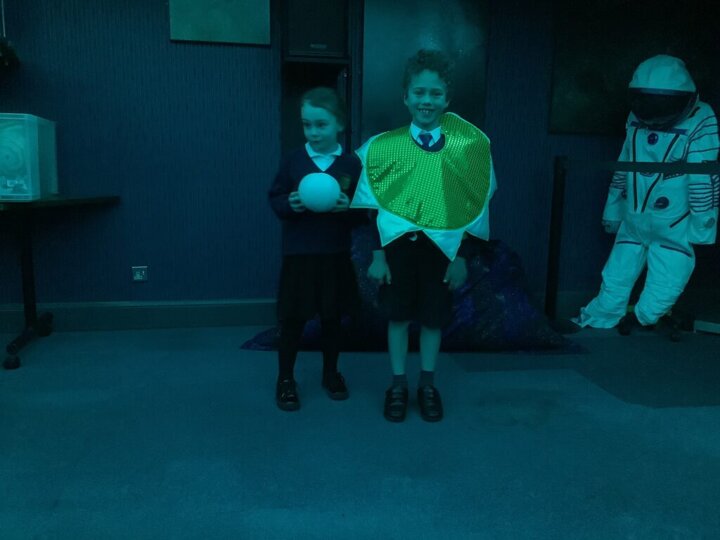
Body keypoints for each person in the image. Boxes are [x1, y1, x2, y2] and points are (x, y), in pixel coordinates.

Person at [351, 49, 497, 422]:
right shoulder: (383, 148)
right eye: (419, 92)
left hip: (441, 253)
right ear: (406, 96)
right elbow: (373, 208)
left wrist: (462, 257)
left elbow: (476, 204)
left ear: (447, 99)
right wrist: (378, 255)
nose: (426, 100)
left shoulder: (467, 149)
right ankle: (398, 384)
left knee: (433, 319)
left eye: (435, 93)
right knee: (398, 317)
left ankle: (427, 384)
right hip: (398, 251)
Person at [574, 55, 719, 334]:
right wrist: (613, 212)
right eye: (648, 103)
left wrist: (702, 225)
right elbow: (625, 164)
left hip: (672, 220)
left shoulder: (701, 118)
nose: (655, 113)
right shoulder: (636, 118)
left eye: (663, 104)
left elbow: (704, 175)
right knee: (619, 268)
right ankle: (603, 313)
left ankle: (644, 316)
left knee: (669, 269)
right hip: (635, 214)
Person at [268, 87, 364, 411]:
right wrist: (290, 203)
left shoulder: (351, 165)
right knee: (292, 319)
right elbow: (275, 198)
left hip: (334, 255)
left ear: (339, 124)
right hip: (300, 255)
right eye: (307, 124)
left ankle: (331, 373)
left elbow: (363, 214)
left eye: (321, 124)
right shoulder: (293, 160)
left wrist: (348, 208)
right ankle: (285, 379)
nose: (313, 132)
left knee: (332, 318)